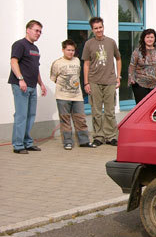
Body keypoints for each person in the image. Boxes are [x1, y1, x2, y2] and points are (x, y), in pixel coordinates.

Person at [8, 20, 47, 154]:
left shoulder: (35, 48)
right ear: (28, 30)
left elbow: (35, 68)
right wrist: (20, 79)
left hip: (32, 86)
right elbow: (13, 62)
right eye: (36, 30)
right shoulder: (19, 45)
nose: (38, 33)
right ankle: (18, 145)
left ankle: (27, 142)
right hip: (21, 86)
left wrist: (41, 84)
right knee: (21, 115)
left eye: (40, 31)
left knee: (30, 115)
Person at [50, 40, 97, 150]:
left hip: (77, 96)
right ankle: (67, 142)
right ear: (63, 50)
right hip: (62, 96)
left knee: (80, 119)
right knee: (65, 120)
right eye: (68, 50)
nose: (70, 52)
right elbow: (54, 78)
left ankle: (84, 141)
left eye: (72, 50)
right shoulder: (57, 63)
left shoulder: (77, 61)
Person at [82, 17, 122, 146]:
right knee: (96, 111)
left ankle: (111, 136)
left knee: (110, 111)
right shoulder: (89, 44)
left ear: (103, 27)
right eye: (96, 28)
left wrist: (118, 77)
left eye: (100, 27)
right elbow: (86, 64)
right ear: (92, 30)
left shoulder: (111, 42)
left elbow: (118, 58)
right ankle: (98, 136)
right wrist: (86, 83)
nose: (98, 30)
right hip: (94, 81)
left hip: (110, 81)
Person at [128, 28, 156, 104]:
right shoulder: (137, 51)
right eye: (147, 37)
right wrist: (131, 78)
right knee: (142, 107)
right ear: (144, 39)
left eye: (152, 37)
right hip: (140, 84)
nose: (150, 39)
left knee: (154, 106)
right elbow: (132, 65)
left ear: (155, 39)